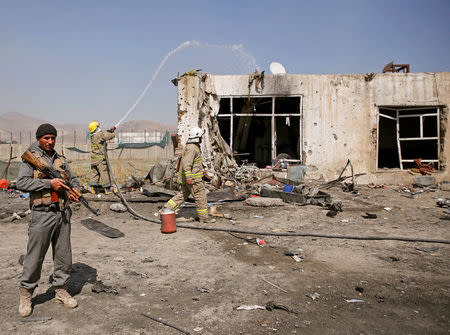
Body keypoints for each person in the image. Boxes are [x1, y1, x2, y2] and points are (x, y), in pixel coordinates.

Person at [16, 123, 80, 317]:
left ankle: (60, 289)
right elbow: (21, 183)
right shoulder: (31, 158)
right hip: (41, 214)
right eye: (46, 138)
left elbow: (73, 178)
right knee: (34, 257)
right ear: (39, 139)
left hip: (62, 213)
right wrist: (48, 183)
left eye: (52, 138)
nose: (50, 141)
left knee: (63, 255)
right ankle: (26, 294)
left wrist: (76, 189)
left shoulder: (60, 158)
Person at [164, 127, 215, 223]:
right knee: (201, 197)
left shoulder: (191, 146)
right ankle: (204, 218)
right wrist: (189, 177)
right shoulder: (192, 148)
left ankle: (166, 209)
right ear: (197, 137)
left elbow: (193, 163)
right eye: (200, 137)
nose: (201, 138)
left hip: (191, 178)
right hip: (193, 179)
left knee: (182, 195)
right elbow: (187, 164)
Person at [89, 121, 116, 194]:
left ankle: (93, 188)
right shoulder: (99, 135)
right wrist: (112, 132)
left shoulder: (92, 136)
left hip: (94, 159)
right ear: (96, 128)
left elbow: (104, 135)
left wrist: (109, 131)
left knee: (94, 173)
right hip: (100, 159)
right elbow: (108, 136)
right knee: (104, 173)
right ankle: (107, 189)